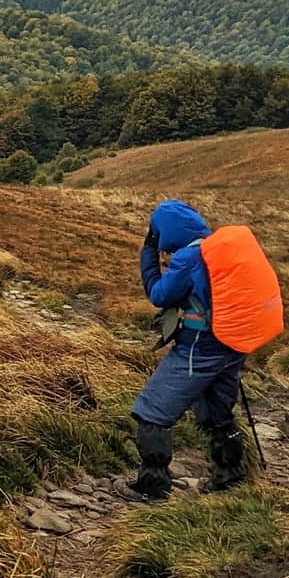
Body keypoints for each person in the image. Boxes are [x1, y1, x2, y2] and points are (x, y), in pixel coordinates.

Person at [114, 200, 247, 503]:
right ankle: (230, 477)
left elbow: (160, 295)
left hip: (199, 347)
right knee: (217, 413)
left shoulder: (189, 257)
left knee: (153, 411)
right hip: (232, 344)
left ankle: (152, 485)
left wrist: (147, 252)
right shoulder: (218, 249)